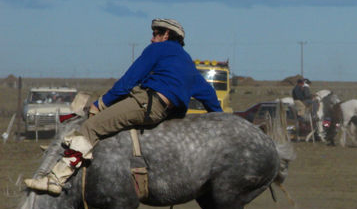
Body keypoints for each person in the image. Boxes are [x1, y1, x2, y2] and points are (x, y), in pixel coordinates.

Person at [25, 18, 222, 195]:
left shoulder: (157, 49)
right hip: (164, 113)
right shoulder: (187, 62)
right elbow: (209, 95)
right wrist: (221, 119)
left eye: (155, 34)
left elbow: (128, 81)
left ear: (166, 35)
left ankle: (55, 180)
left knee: (90, 127)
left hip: (146, 104)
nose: (152, 39)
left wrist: (100, 104)